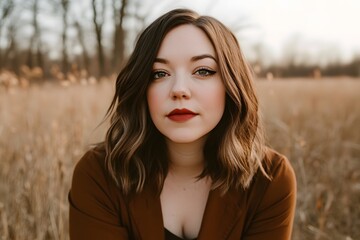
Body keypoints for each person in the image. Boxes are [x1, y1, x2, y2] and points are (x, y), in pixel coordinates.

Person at [68, 8, 296, 240]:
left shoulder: (270, 179)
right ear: (142, 89)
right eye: (159, 74)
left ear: (231, 84)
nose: (179, 90)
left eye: (203, 71)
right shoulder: (99, 174)